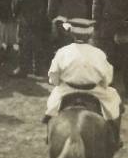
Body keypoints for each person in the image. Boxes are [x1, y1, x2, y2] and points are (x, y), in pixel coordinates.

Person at [43, 17, 123, 150]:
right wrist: (102, 83)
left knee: (51, 107)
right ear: (90, 34)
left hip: (67, 90)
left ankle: (49, 135)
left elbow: (53, 76)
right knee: (115, 101)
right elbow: (107, 79)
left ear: (72, 34)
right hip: (94, 91)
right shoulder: (99, 53)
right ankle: (115, 137)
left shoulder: (63, 52)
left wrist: (57, 82)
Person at [12, 0, 52, 78]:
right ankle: (38, 68)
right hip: (41, 14)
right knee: (39, 40)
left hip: (26, 15)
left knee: (23, 42)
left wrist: (15, 12)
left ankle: (23, 68)